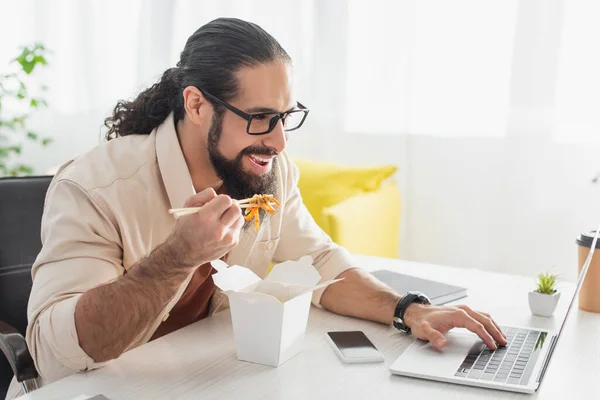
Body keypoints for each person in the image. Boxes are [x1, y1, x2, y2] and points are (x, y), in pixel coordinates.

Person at [6, 17, 506, 399]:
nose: (280, 142)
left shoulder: (266, 172)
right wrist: (177, 256)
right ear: (198, 105)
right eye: (262, 118)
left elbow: (320, 262)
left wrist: (410, 309)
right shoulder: (94, 186)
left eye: (286, 117)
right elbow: (55, 358)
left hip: (206, 379)